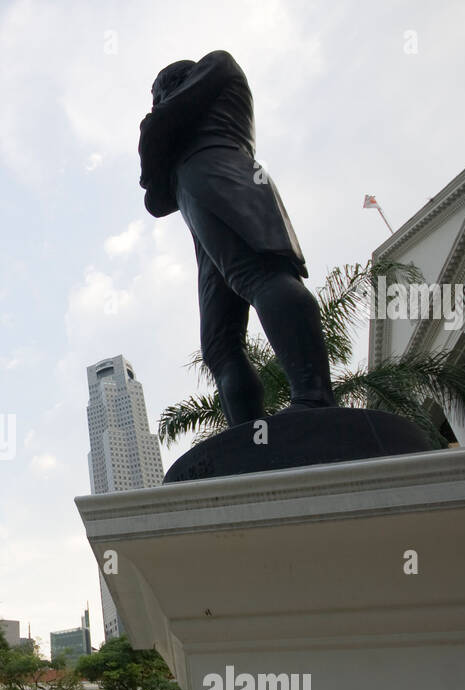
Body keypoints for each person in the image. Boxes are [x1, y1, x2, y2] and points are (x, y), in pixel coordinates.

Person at [138, 50, 336, 427]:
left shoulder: (217, 66)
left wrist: (158, 132)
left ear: (171, 86)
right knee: (219, 342)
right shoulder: (186, 121)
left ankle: (315, 398)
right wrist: (158, 141)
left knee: (262, 276)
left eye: (156, 94)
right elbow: (157, 200)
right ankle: (248, 434)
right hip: (196, 198)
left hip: (224, 178)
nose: (154, 104)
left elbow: (154, 133)